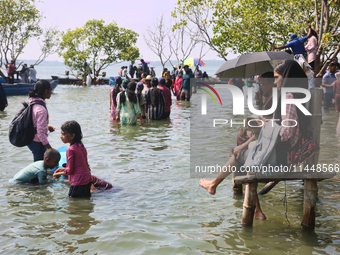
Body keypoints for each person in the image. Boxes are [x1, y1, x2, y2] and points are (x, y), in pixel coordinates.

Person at [199, 60, 309, 220]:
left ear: (286, 78)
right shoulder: (291, 96)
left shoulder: (289, 97)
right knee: (246, 152)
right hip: (283, 153)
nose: (276, 81)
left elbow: (286, 134)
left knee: (242, 155)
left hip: (283, 158)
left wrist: (267, 124)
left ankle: (222, 189)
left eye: (277, 77)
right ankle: (222, 189)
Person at [53, 121, 93, 198]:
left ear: (72, 136)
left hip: (78, 183)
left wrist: (57, 174)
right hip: (87, 180)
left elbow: (70, 171)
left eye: (63, 134)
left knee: (72, 206)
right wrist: (62, 169)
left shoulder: (70, 149)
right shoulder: (81, 146)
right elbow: (80, 166)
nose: (61, 136)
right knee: (85, 202)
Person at [28, 80, 55, 161]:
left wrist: (46, 127)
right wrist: (50, 149)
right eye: (51, 90)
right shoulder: (41, 109)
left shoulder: (32, 102)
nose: (51, 92)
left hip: (30, 139)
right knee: (39, 164)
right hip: (37, 141)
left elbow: (34, 121)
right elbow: (40, 133)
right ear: (46, 91)